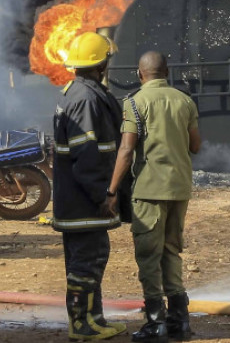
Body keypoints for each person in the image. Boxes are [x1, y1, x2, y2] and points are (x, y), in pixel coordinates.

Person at [106, 51, 201, 342]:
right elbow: (195, 146)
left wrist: (111, 190)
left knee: (149, 256)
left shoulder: (134, 103)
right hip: (180, 188)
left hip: (149, 190)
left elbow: (126, 150)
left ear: (140, 74)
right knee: (172, 250)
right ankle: (180, 321)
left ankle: (155, 322)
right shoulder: (185, 101)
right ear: (167, 72)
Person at [52, 32, 127, 341]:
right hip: (84, 202)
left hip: (77, 201)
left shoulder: (80, 93)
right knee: (87, 262)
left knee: (91, 259)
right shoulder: (85, 99)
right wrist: (105, 194)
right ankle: (82, 325)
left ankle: (92, 319)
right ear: (101, 65)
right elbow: (87, 156)